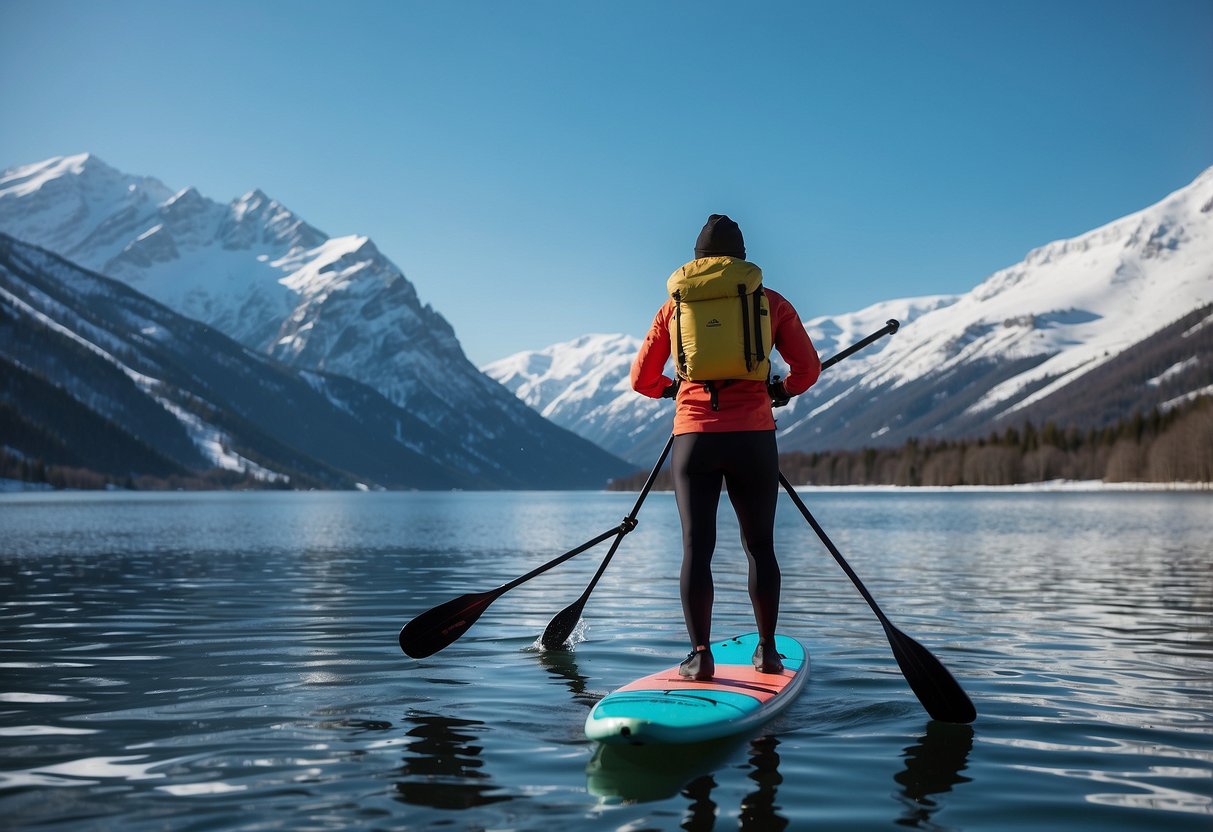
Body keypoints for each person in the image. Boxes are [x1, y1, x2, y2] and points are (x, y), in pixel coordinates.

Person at [630, 214, 822, 681]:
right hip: (753, 438)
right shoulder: (769, 302)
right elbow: (808, 369)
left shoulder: (673, 308)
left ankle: (700, 655)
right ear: (741, 257)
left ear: (696, 260)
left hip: (693, 438)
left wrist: (670, 390)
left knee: (697, 548)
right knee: (760, 547)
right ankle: (769, 651)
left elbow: (641, 379)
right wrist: (782, 390)